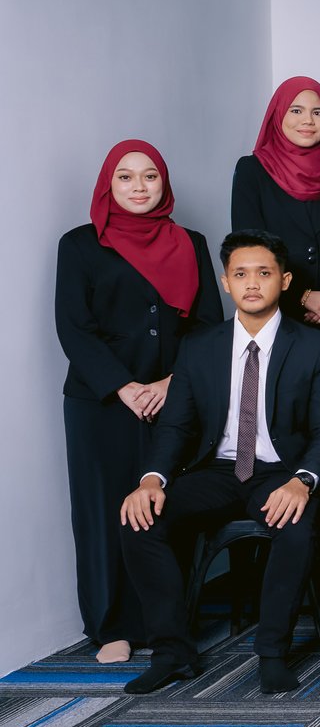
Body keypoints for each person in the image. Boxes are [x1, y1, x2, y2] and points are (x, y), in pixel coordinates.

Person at [119, 230, 320, 695]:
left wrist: (303, 480)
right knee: (140, 518)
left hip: (282, 472)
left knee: (296, 524)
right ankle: (172, 653)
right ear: (226, 283)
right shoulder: (199, 345)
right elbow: (176, 426)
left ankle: (272, 653)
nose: (252, 283)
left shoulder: (315, 346)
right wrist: (151, 479)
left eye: (264, 273)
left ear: (285, 280)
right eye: (240, 274)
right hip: (219, 471)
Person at [57, 141, 222, 664]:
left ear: (163, 183)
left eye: (150, 176)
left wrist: (173, 382)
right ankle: (110, 628)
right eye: (125, 177)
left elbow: (208, 326)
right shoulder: (80, 245)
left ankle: (164, 624)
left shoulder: (191, 242)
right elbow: (74, 329)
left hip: (174, 398)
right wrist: (125, 387)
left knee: (165, 507)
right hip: (101, 403)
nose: (139, 186)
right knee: (106, 511)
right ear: (108, 185)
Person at [232, 76, 320, 362]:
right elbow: (249, 247)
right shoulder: (253, 171)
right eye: (296, 110)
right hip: (278, 313)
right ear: (278, 115)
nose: (308, 120)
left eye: (318, 112)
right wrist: (302, 296)